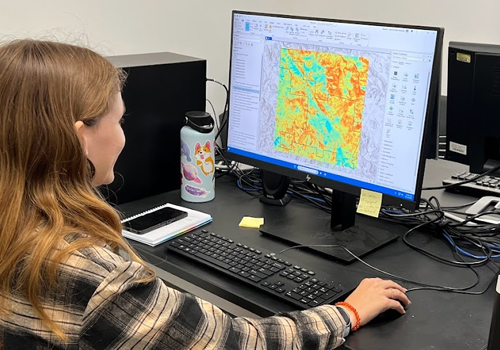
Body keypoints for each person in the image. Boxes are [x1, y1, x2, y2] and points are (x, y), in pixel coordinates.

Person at [0, 39, 410, 349]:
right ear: (81, 139)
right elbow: (242, 342)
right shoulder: (89, 273)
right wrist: (350, 311)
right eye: (119, 120)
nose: (124, 136)